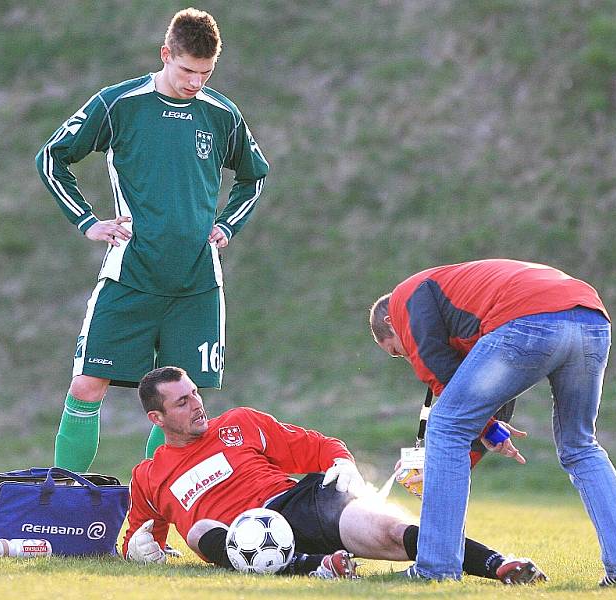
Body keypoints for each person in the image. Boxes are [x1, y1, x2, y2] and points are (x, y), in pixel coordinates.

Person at [35, 8, 269, 471]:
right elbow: (52, 159)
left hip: (197, 285)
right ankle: (61, 500)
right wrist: (88, 221)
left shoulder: (222, 114)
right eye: (186, 70)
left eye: (205, 73)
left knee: (180, 413)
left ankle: (155, 520)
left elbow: (253, 177)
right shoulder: (119, 103)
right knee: (87, 386)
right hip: (131, 276)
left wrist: (227, 224)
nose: (195, 82)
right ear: (166, 55)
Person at [122, 366, 547, 583]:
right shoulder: (148, 474)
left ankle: (499, 565)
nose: (196, 405)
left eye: (195, 393)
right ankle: (317, 567)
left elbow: (320, 447)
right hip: (239, 537)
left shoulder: (240, 422)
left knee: (392, 531)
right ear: (156, 416)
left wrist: (342, 463)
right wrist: (140, 549)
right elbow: (141, 538)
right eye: (182, 402)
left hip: (297, 505)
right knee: (198, 532)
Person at [369, 259, 616, 588]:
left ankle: (436, 567)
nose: (405, 355)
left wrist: (453, 451)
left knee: (443, 425)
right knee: (580, 445)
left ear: (390, 321)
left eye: (396, 351)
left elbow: (436, 363)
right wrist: (488, 431)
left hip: (528, 319)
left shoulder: (405, 297)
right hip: (589, 316)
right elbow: (491, 380)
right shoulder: (460, 304)